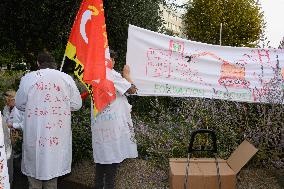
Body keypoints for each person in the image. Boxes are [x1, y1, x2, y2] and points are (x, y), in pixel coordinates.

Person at [15, 51, 82, 189]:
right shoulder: (66, 78)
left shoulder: (28, 78)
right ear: (53, 64)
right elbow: (77, 105)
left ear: (38, 64)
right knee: (52, 174)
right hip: (57, 133)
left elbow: (20, 104)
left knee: (34, 177)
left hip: (35, 133)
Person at [91, 50, 138, 189]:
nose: (114, 62)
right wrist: (127, 76)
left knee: (101, 163)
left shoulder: (94, 74)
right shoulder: (110, 73)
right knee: (112, 164)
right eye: (112, 58)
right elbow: (132, 90)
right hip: (112, 126)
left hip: (100, 123)